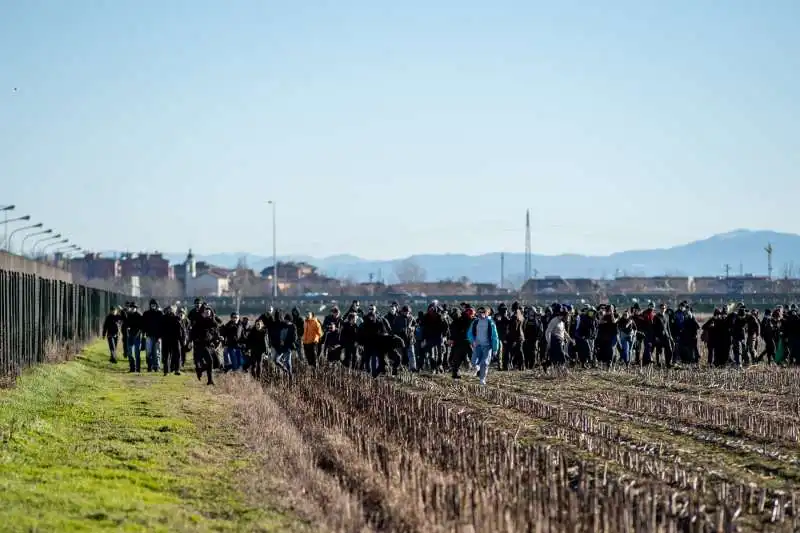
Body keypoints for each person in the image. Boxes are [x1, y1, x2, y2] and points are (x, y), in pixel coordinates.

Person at [466, 306, 500, 386]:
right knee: (474, 362)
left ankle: (482, 379)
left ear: (487, 313)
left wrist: (495, 348)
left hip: (487, 346)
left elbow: (495, 336)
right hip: (477, 345)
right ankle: (477, 369)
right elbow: (469, 333)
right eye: (479, 312)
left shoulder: (490, 322)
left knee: (485, 363)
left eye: (483, 312)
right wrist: (473, 341)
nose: (481, 314)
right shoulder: (475, 322)